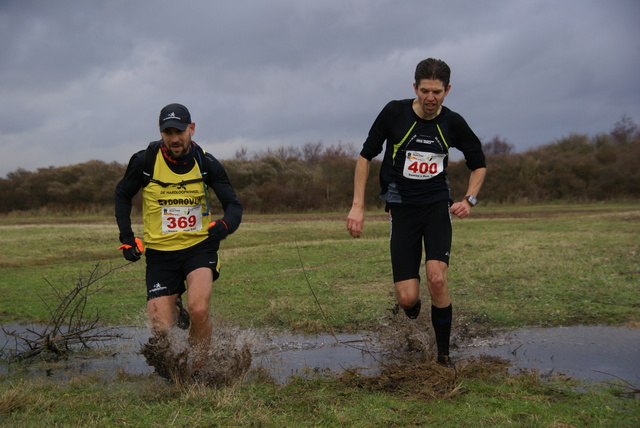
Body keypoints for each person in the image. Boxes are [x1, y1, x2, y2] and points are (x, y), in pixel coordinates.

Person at [346, 58, 486, 368]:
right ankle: (412, 311)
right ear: (415, 88)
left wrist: (470, 199)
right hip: (402, 208)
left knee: (437, 279)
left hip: (437, 205)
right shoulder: (394, 113)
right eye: (425, 91)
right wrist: (358, 205)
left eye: (437, 91)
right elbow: (365, 157)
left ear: (447, 90)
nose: (430, 98)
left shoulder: (452, 122)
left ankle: (443, 357)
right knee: (407, 298)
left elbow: (479, 162)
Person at [114, 103, 242, 368]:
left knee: (199, 309)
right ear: (160, 132)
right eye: (168, 132)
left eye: (179, 131)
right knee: (160, 329)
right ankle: (175, 319)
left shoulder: (206, 163)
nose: (174, 138)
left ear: (191, 129)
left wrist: (225, 226)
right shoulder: (144, 161)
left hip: (199, 248)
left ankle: (197, 369)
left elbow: (234, 205)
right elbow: (122, 194)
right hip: (160, 254)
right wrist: (127, 237)